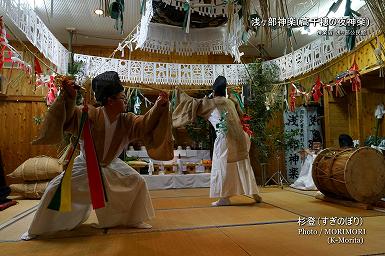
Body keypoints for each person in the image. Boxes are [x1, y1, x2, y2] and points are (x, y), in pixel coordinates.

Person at [21, 71, 173, 240]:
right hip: (86, 165)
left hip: (110, 165)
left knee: (137, 182)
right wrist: (69, 96)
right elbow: (68, 119)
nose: (125, 101)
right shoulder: (90, 114)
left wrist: (159, 105)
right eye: (122, 98)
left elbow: (145, 124)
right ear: (110, 100)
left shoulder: (127, 120)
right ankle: (37, 230)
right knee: (53, 190)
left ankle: (133, 219)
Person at [173, 76, 262, 206]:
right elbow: (241, 115)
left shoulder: (210, 103)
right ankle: (254, 192)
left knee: (221, 166)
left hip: (225, 138)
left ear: (214, 92)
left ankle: (224, 198)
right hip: (241, 138)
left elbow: (190, 103)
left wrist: (178, 91)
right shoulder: (231, 102)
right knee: (243, 165)